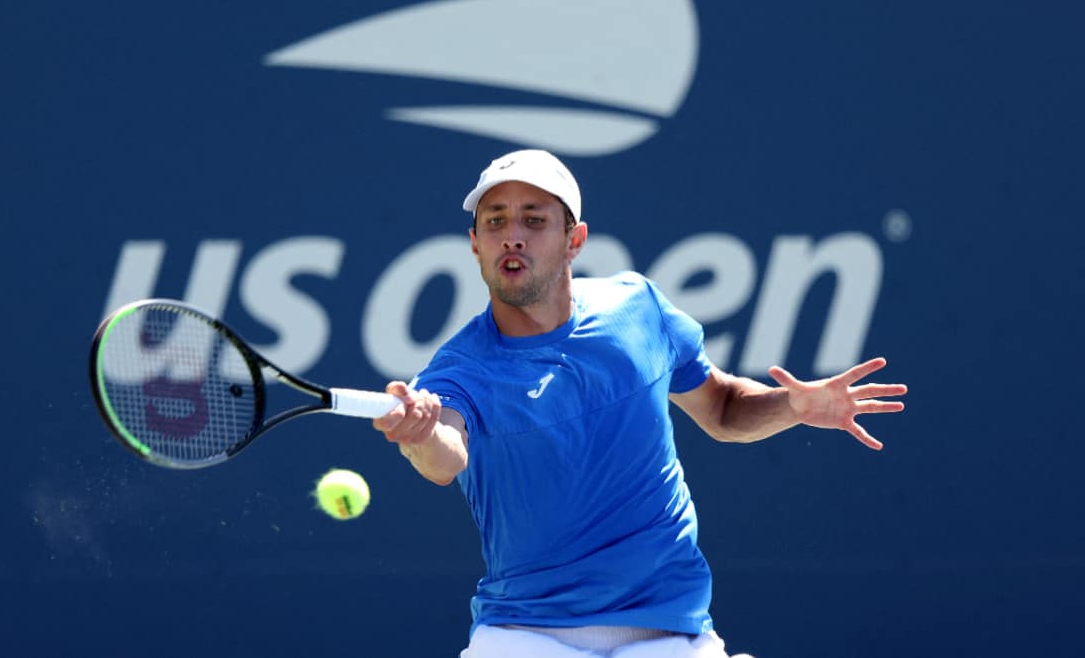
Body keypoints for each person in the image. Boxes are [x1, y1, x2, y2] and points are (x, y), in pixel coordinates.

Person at [372, 149, 907, 658]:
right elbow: (446, 456)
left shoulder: (640, 308)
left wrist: (792, 405)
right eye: (495, 222)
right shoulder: (458, 369)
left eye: (533, 220)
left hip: (667, 626)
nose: (512, 237)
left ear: (574, 240)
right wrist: (421, 435)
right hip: (525, 631)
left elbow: (720, 408)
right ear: (474, 244)